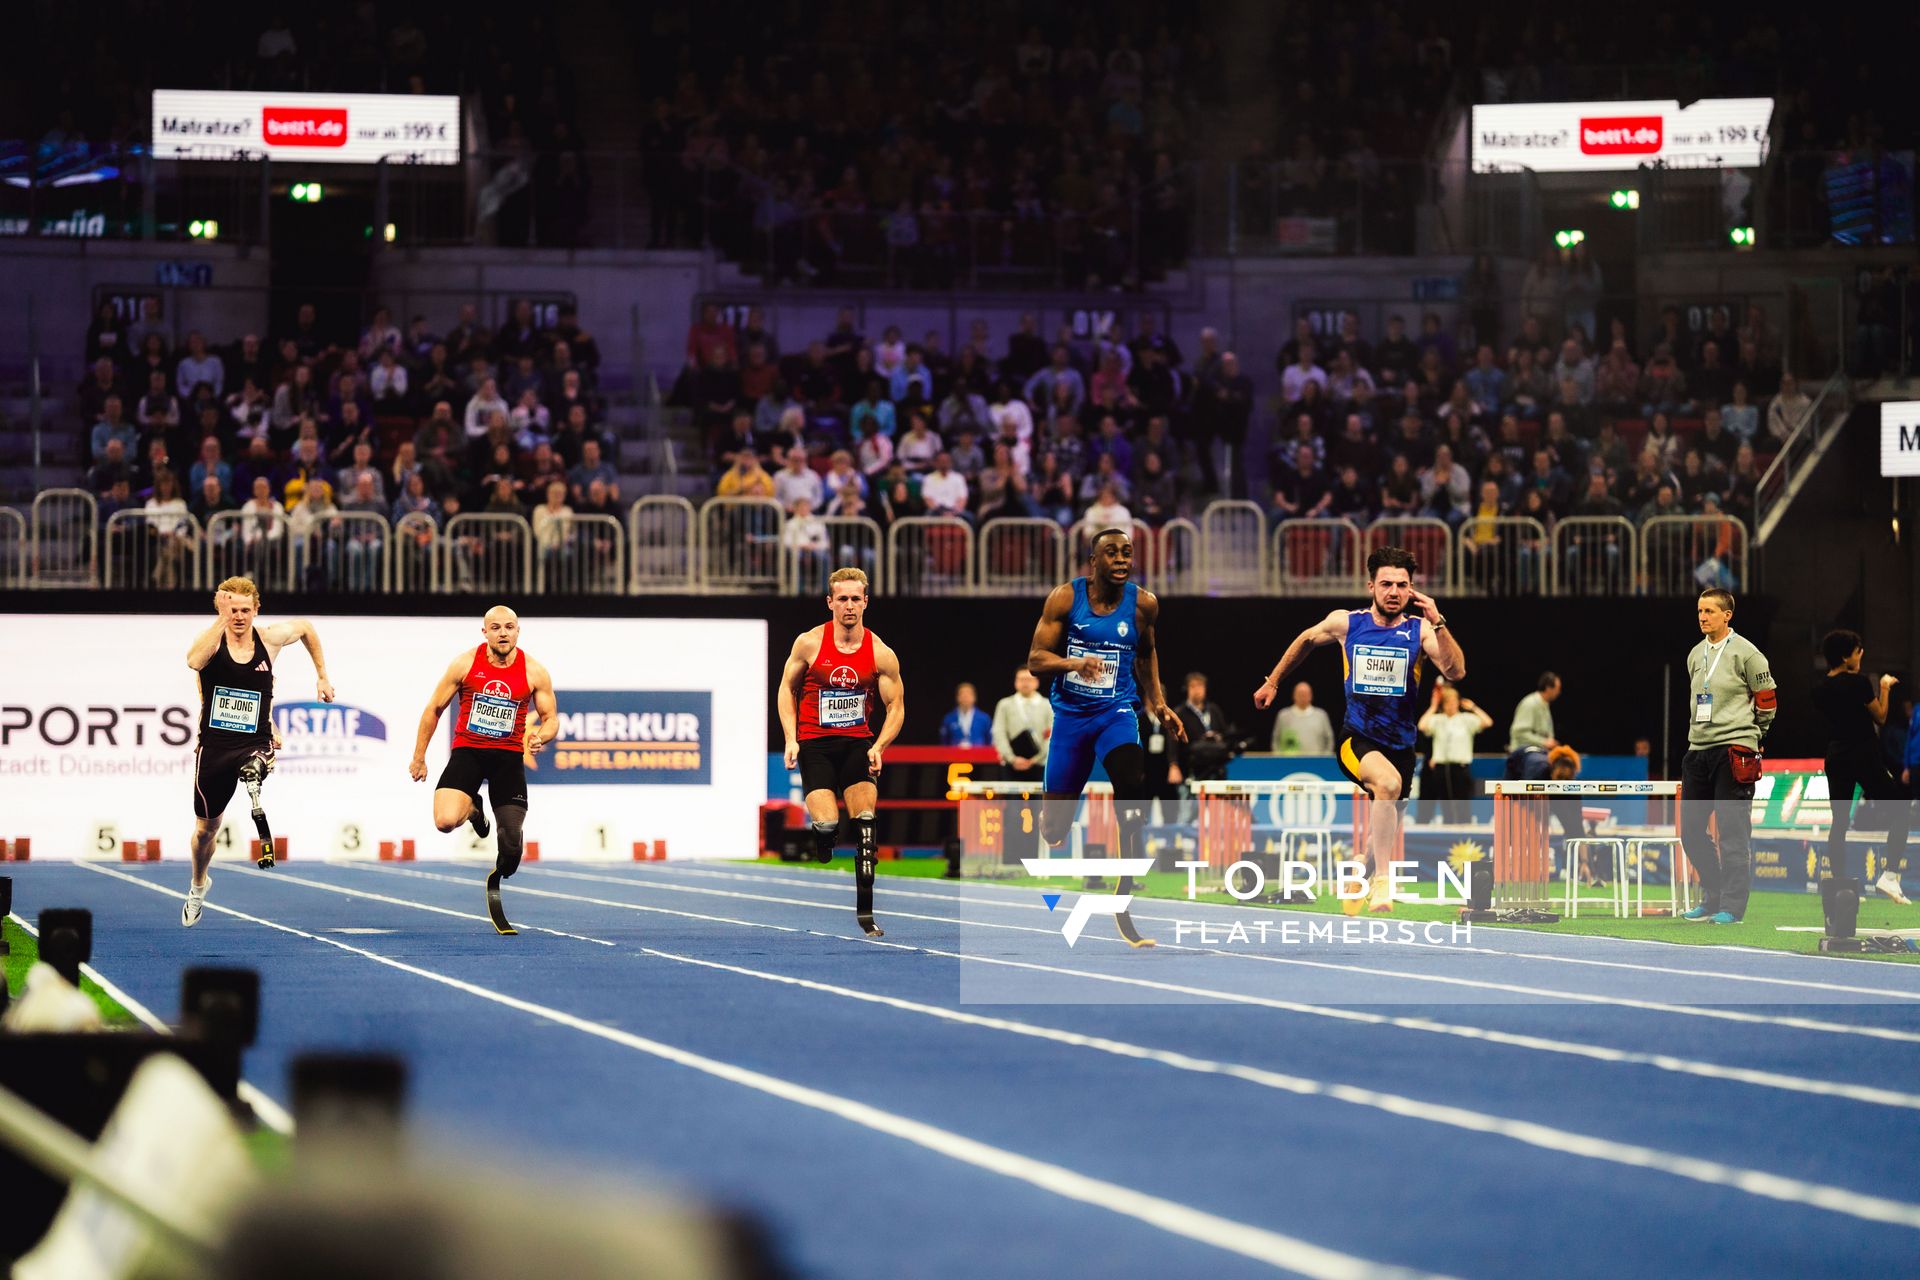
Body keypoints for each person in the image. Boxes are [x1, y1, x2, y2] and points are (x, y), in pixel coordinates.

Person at [1254, 546, 1466, 913]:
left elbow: (1455, 672)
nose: (1394, 591)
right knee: (1386, 785)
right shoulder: (1347, 623)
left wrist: (1440, 621)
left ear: (1412, 590)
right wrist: (1273, 681)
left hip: (1401, 747)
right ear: (1371, 585)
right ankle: (1383, 883)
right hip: (1357, 739)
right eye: (1386, 583)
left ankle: (1361, 872)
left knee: (1382, 825)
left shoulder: (1421, 631)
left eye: (1402, 584)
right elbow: (1305, 639)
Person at [1027, 527, 1184, 940]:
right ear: (1093, 562)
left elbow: (1147, 652)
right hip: (1071, 719)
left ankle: (1124, 899)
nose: (1121, 560)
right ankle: (1051, 817)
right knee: (1054, 831)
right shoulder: (1065, 598)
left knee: (1132, 787)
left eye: (1127, 553)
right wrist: (1073, 665)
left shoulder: (1143, 605)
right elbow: (1035, 660)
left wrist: (1158, 703)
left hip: (1116, 712)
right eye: (1111, 553)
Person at [181, 577, 334, 926]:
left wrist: (322, 676)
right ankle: (198, 884)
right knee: (206, 830)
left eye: (245, 610)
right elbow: (193, 661)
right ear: (222, 609)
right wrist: (220, 617)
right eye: (232, 609)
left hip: (255, 741)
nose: (239, 616)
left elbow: (307, 627)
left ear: (256, 609)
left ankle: (256, 772)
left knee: (255, 765)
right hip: (215, 746)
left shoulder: (268, 639)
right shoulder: (211, 641)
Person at [408, 606, 559, 932]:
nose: (502, 633)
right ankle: (474, 810)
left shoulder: (534, 671)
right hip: (469, 754)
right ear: (485, 632)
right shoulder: (465, 664)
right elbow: (434, 709)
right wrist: (419, 756)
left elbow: (551, 719)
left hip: (507, 760)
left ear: (518, 630)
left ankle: (501, 861)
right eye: (495, 627)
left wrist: (540, 736)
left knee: (511, 848)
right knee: (445, 821)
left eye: (508, 627)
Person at [777, 567, 906, 936]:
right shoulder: (809, 644)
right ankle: (823, 837)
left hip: (856, 744)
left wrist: (880, 746)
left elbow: (896, 706)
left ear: (866, 602)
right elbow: (786, 689)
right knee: (827, 823)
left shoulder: (881, 653)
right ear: (830, 602)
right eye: (842, 599)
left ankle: (866, 915)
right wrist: (791, 737)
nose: (849, 606)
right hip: (815, 745)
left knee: (866, 824)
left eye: (856, 599)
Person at [1677, 589, 1776, 924]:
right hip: (1697, 750)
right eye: (1700, 611)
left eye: (1710, 611)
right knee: (1690, 831)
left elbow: (1767, 700)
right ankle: (1714, 895)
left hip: (1734, 749)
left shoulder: (1747, 653)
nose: (1703, 616)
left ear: (1727, 615)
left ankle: (1732, 907)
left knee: (1733, 833)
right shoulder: (1694, 654)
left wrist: (1755, 737)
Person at [1812, 630, 1910, 903]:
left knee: (1839, 823)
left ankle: (1841, 888)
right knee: (1900, 811)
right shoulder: (1860, 683)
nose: (1861, 655)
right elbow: (1880, 716)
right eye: (1858, 651)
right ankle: (1889, 877)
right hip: (1864, 755)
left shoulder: (1819, 689)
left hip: (1836, 756)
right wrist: (1885, 687)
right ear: (1846, 657)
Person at [1418, 684, 1492, 824]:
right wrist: (1433, 707)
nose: (1451, 705)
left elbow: (1487, 722)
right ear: (1443, 705)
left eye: (1453, 701)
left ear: (1458, 702)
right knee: (1446, 804)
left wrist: (1473, 708)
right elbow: (1422, 725)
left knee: (1463, 803)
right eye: (1447, 702)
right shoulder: (1438, 719)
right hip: (1441, 768)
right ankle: (1448, 833)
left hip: (1460, 767)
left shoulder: (1466, 719)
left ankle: (1464, 832)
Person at [991, 668, 1052, 788]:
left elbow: (1051, 734)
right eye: (1021, 679)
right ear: (1015, 682)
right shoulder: (1004, 705)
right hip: (1011, 766)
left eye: (1029, 679)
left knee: (1039, 805)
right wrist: (1012, 758)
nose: (1025, 683)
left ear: (1037, 682)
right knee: (1013, 806)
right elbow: (999, 733)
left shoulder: (1047, 705)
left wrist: (1035, 759)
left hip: (1039, 765)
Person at [1173, 672, 1233, 784]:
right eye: (1193, 686)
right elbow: (1173, 742)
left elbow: (1225, 733)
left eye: (1200, 686)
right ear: (1187, 689)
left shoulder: (1214, 710)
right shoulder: (1179, 712)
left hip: (1215, 766)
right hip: (1191, 768)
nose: (1197, 690)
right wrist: (1173, 765)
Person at [1505, 672, 1562, 779]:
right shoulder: (1530, 704)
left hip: (1539, 753)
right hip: (1523, 755)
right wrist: (1544, 742)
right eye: (1558, 688)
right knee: (1538, 763)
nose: (1559, 692)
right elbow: (1518, 732)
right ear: (1548, 688)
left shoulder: (1544, 705)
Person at [1270, 681, 1334, 755]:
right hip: (1290, 763)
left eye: (1306, 694)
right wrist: (1279, 758)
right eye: (1300, 694)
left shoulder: (1321, 715)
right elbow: (1276, 739)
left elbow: (1329, 739)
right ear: (1294, 695)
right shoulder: (1283, 715)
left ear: (1311, 696)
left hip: (1316, 763)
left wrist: (1325, 759)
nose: (1303, 697)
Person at [940, 682, 993, 747]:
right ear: (957, 697)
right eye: (962, 694)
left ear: (974, 697)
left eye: (968, 694)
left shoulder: (984, 718)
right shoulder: (948, 718)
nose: (965, 697)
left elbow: (990, 741)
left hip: (978, 755)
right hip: (954, 755)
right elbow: (944, 742)